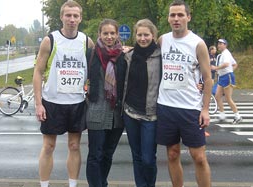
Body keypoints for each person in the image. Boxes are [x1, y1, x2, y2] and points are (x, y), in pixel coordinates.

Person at [33, 1, 94, 187]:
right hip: (52, 102)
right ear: (61, 17)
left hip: (76, 103)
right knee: (49, 146)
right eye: (68, 15)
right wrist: (38, 103)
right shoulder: (49, 40)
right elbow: (38, 72)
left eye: (75, 16)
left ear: (80, 18)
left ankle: (73, 184)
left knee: (74, 146)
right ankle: (44, 185)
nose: (72, 19)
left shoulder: (86, 41)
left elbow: (94, 70)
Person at [156, 1, 212, 187]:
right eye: (173, 15)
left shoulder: (198, 43)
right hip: (166, 106)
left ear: (188, 17)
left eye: (180, 15)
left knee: (199, 157)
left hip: (190, 108)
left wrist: (205, 109)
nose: (176, 19)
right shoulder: (163, 40)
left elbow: (207, 78)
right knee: (172, 154)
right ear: (168, 18)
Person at [85, 18, 126, 187]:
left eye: (112, 33)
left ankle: (103, 182)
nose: (109, 36)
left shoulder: (124, 56)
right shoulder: (91, 54)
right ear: (99, 34)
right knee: (95, 155)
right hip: (96, 111)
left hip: (116, 115)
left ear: (117, 34)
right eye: (105, 33)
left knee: (108, 154)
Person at [122, 19, 161, 187]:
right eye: (139, 35)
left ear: (153, 35)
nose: (143, 38)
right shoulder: (128, 56)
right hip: (130, 112)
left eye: (146, 35)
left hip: (151, 115)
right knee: (136, 156)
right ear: (135, 35)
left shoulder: (161, 56)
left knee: (148, 158)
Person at [211, 38, 242, 124]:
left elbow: (226, 64)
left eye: (221, 44)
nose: (219, 45)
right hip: (223, 77)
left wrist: (217, 68)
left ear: (225, 45)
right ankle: (222, 115)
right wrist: (229, 71)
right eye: (218, 44)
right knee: (217, 96)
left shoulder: (226, 53)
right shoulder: (223, 54)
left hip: (227, 77)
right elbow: (235, 64)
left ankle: (237, 116)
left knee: (228, 98)